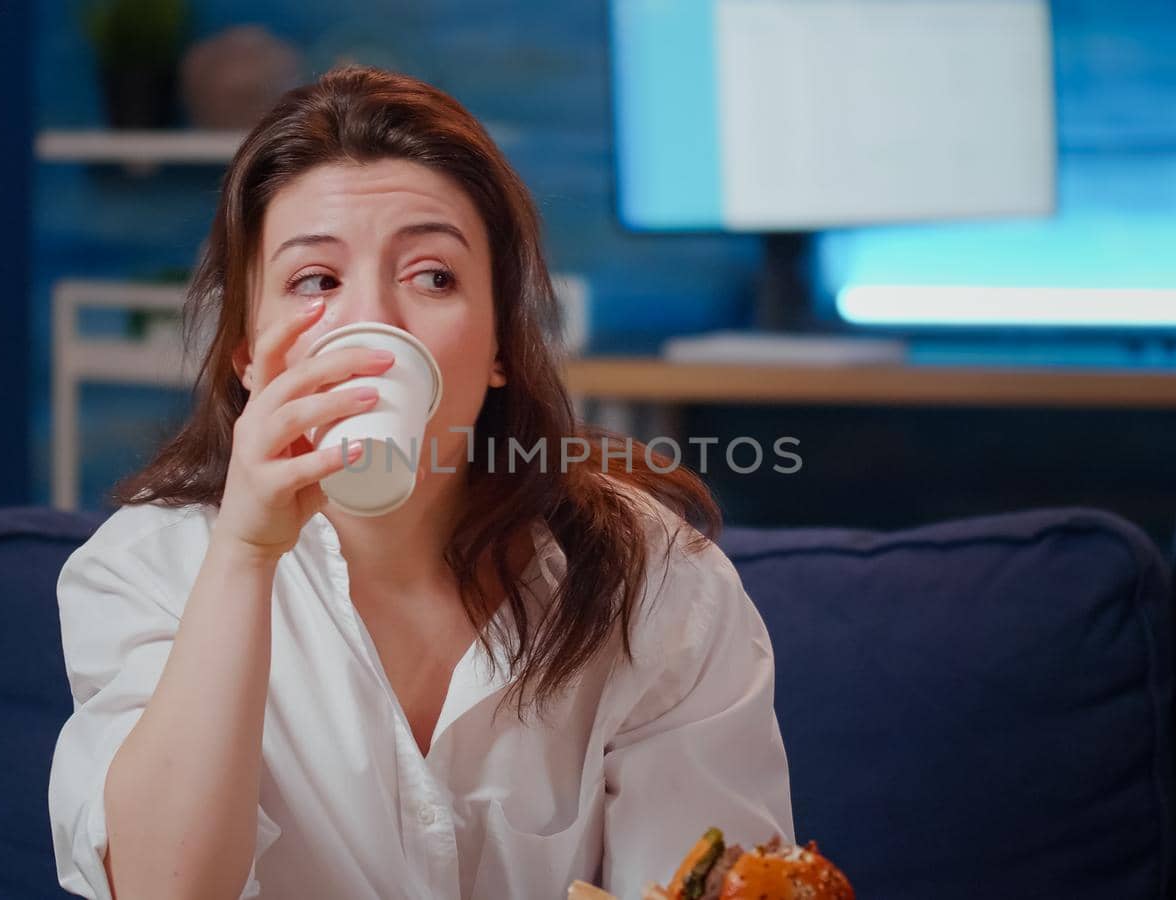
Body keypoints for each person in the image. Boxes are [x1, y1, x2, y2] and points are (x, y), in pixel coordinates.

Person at [47, 64, 793, 900]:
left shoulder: (658, 584)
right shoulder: (147, 571)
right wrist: (247, 554)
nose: (373, 324)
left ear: (504, 345)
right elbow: (161, 890)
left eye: (432, 276)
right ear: (246, 355)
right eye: (316, 281)